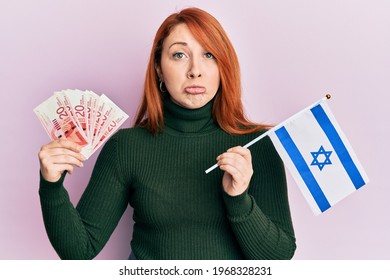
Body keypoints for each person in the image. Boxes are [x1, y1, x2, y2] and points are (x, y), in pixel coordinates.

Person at [38, 7, 296, 260]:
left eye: (209, 55)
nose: (195, 70)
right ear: (159, 68)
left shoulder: (258, 145)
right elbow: (78, 251)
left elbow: (279, 257)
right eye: (179, 55)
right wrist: (51, 185)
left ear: (223, 66)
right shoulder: (126, 148)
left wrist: (238, 199)